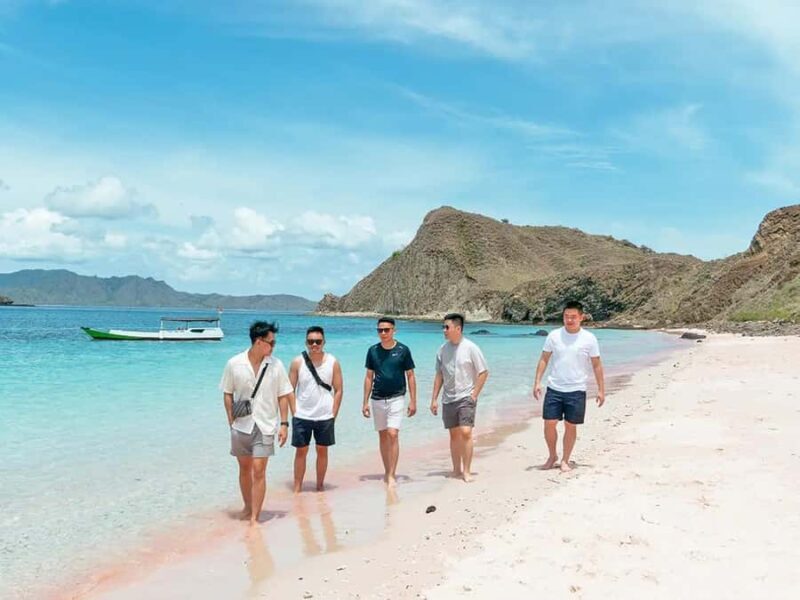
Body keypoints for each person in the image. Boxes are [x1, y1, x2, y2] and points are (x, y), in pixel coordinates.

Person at [220, 321, 293, 526]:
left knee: (259, 470)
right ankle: (247, 506)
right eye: (272, 342)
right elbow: (227, 392)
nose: (274, 346)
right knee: (244, 469)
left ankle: (255, 518)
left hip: (266, 425)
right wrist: (230, 419)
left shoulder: (276, 365)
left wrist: (285, 424)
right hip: (241, 425)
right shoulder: (234, 363)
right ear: (259, 342)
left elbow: (283, 395)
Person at [532, 301, 605, 472]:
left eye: (573, 317)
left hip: (577, 390)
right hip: (554, 388)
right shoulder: (553, 336)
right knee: (549, 423)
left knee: (570, 425)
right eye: (566, 316)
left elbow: (597, 365)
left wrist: (601, 390)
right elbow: (544, 359)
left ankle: (565, 459)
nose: (569, 320)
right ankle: (552, 456)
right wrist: (537, 382)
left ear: (581, 317)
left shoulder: (589, 339)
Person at [430, 313, 489, 483]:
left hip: (466, 397)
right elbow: (439, 375)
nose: (444, 330)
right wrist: (434, 399)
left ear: (458, 328)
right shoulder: (442, 350)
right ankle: (456, 469)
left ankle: (467, 471)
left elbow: (484, 372)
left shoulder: (471, 348)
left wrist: (474, 394)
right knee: (454, 435)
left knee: (466, 432)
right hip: (448, 398)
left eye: (447, 327)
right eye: (443, 327)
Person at [362, 317, 417, 486]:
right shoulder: (372, 351)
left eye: (387, 330)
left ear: (394, 330)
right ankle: (387, 471)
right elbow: (369, 377)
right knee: (383, 435)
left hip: (397, 397)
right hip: (377, 398)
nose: (383, 333)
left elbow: (410, 375)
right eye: (380, 330)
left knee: (393, 434)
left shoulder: (403, 350)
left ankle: (392, 474)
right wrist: (364, 402)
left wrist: (413, 401)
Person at [288, 326, 343, 493]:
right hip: (302, 415)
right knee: (301, 451)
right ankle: (297, 488)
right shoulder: (297, 362)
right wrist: (294, 412)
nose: (314, 345)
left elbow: (339, 389)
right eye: (311, 341)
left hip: (325, 415)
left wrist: (334, 414)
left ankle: (320, 486)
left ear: (324, 342)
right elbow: (289, 389)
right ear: (306, 342)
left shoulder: (332, 362)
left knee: (322, 450)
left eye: (318, 341)